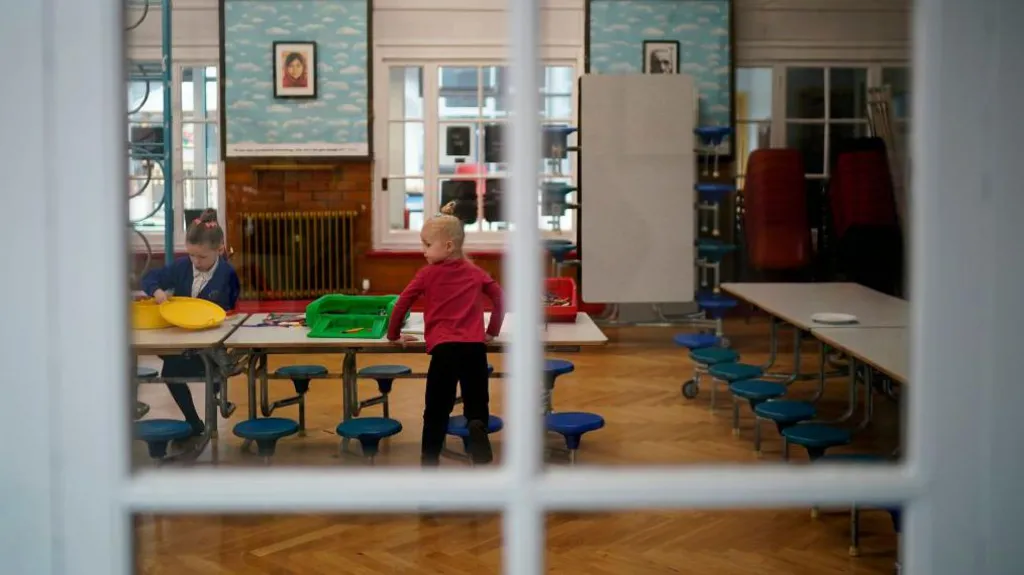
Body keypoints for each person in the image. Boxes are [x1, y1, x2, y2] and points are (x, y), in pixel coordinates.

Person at [386, 202, 504, 466]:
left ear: (448, 246)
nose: (423, 251)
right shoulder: (476, 273)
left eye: (427, 245)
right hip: (474, 348)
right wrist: (491, 331)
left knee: (437, 408)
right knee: (477, 402)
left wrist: (394, 335)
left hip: (444, 350)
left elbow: (401, 303)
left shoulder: (427, 274)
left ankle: (429, 458)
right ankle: (477, 427)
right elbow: (500, 298)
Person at [141, 209, 240, 436]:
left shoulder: (227, 274)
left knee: (214, 375)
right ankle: (194, 422)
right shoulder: (181, 267)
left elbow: (233, 310)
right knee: (169, 372)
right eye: (191, 255)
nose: (196, 262)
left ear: (219, 249)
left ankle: (216, 398)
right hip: (183, 343)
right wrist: (157, 291)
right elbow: (149, 278)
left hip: (213, 347)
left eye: (202, 257)